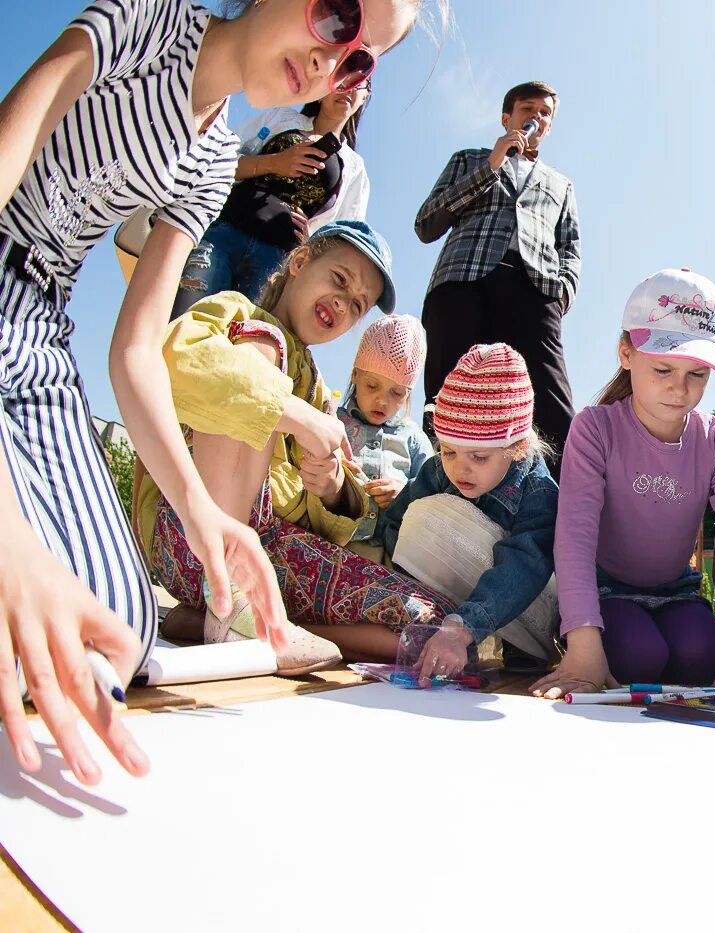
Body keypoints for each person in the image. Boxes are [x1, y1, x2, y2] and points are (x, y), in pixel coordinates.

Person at [0, 0, 435, 783]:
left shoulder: (205, 169)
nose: (330, 64)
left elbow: (132, 350)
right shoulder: (148, 21)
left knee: (119, 632)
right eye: (337, 16)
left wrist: (207, 519)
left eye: (359, 60)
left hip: (39, 337)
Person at [137, 221, 455, 673]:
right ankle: (229, 603)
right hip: (190, 535)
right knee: (262, 343)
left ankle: (240, 625)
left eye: (357, 305)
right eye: (340, 280)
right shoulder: (234, 312)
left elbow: (321, 523)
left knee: (435, 626)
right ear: (300, 261)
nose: (342, 304)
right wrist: (295, 414)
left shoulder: (321, 394)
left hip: (272, 549)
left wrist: (329, 489)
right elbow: (172, 365)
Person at [532, 269, 715, 698]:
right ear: (626, 353)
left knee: (702, 656)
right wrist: (583, 643)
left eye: (697, 375)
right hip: (607, 588)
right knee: (637, 656)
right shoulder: (595, 428)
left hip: (676, 591)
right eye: (663, 368)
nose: (679, 389)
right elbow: (574, 534)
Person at [415, 80, 581, 468]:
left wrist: (562, 295)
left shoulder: (561, 184)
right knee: (449, 395)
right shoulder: (470, 159)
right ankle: (447, 485)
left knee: (551, 400)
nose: (536, 118)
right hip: (463, 281)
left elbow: (571, 248)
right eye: (528, 109)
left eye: (545, 113)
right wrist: (492, 165)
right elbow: (426, 223)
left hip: (533, 289)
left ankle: (568, 499)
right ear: (508, 117)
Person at [381, 343, 561, 679]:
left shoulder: (537, 490)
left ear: (518, 448)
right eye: (449, 452)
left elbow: (527, 564)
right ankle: (444, 617)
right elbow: (395, 525)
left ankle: (511, 639)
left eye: (478, 458)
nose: (459, 470)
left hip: (524, 595)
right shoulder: (438, 470)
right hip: (456, 594)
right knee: (420, 516)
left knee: (525, 661)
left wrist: (466, 627)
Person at [172, 82, 374, 317]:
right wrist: (275, 162)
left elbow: (345, 242)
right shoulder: (280, 118)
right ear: (322, 89)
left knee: (237, 339)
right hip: (224, 233)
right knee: (185, 319)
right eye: (342, 81)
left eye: (359, 85)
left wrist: (313, 241)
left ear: (364, 97)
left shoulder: (355, 170)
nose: (348, 90)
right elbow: (215, 159)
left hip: (276, 263)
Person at [337, 313, 432, 551]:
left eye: (397, 393)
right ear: (355, 374)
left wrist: (404, 496)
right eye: (372, 385)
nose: (382, 400)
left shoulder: (412, 438)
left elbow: (433, 496)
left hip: (388, 558)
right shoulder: (334, 422)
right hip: (332, 543)